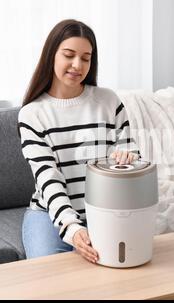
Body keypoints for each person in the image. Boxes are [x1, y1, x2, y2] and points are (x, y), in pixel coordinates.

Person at [18, 19, 140, 263]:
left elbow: (128, 146)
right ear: (51, 54)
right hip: (51, 216)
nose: (77, 65)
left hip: (104, 212)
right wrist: (73, 229)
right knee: (52, 282)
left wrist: (128, 154)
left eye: (86, 58)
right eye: (69, 55)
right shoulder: (32, 114)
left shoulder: (108, 101)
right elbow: (48, 178)